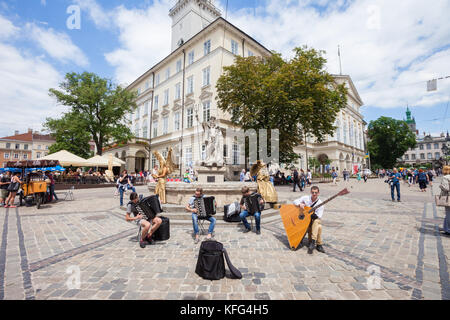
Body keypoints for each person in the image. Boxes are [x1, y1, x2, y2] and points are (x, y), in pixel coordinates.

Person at [293, 186, 325, 254]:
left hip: (314, 220)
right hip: (305, 220)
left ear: (318, 193)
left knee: (317, 223)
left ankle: (313, 242)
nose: (314, 194)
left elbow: (319, 216)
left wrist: (313, 215)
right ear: (310, 192)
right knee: (319, 227)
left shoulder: (320, 203)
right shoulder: (306, 198)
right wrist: (299, 204)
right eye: (313, 192)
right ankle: (319, 244)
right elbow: (295, 201)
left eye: (315, 193)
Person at [438, 166, 450, 235]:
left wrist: (440, 186)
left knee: (448, 213)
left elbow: (446, 188)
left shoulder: (445, 177)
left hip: (448, 197)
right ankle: (445, 228)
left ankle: (448, 229)